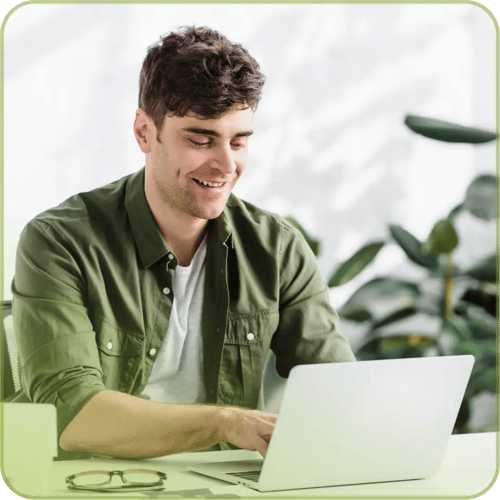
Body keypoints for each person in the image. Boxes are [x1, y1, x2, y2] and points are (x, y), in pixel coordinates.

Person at [11, 25, 355, 460]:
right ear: (143, 132)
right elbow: (74, 414)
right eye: (200, 139)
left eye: (239, 141)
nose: (226, 165)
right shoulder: (59, 242)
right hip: (97, 482)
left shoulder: (278, 248)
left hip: (229, 485)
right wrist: (227, 423)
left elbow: (339, 392)